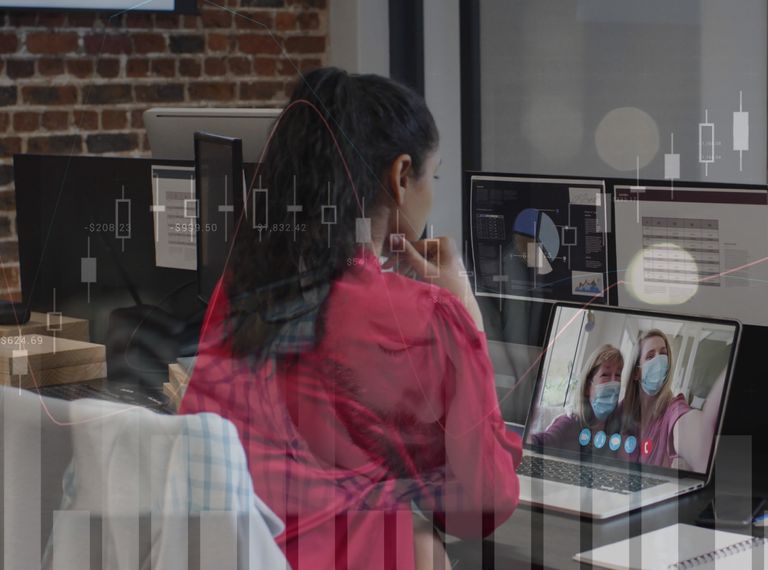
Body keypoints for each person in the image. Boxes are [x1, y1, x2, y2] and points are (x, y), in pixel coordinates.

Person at [180, 68, 521, 570]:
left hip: (238, 555)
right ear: (401, 176)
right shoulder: (421, 319)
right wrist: (464, 315)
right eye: (435, 175)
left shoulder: (240, 290)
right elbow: (481, 507)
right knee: (426, 541)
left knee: (419, 537)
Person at [619, 330, 726, 472]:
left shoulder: (673, 408)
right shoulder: (621, 409)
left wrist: (705, 438)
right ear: (636, 372)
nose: (659, 360)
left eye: (663, 354)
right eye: (650, 356)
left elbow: (694, 434)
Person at [529, 344, 624, 451]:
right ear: (588, 387)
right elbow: (538, 443)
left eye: (618, 375)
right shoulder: (570, 422)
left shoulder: (618, 428)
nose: (614, 382)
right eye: (605, 375)